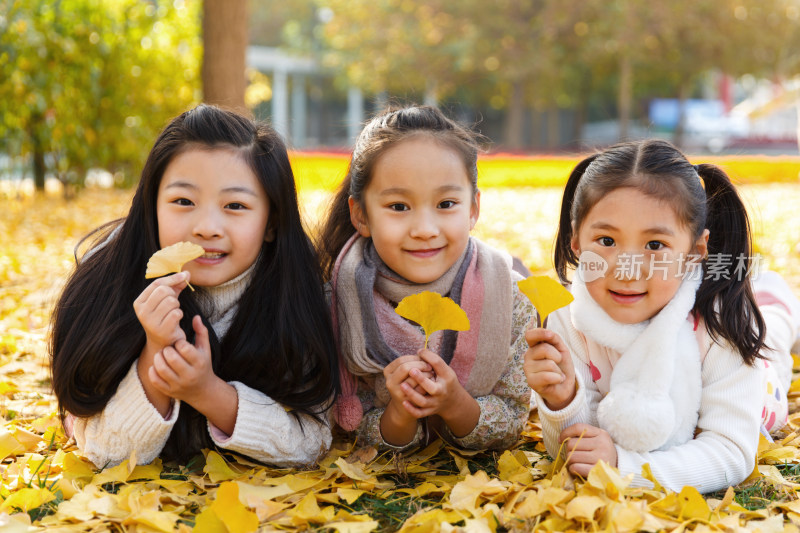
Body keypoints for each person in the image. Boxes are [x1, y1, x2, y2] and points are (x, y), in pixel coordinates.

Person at [50, 105, 339, 467]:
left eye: (235, 205)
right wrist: (156, 350)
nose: (206, 227)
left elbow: (310, 442)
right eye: (183, 201)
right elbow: (108, 452)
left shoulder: (295, 294)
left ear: (271, 222)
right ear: (150, 207)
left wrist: (207, 393)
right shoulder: (108, 283)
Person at [524, 139, 800, 493]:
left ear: (695, 251)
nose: (627, 271)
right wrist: (562, 399)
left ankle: (778, 301)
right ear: (576, 240)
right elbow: (582, 448)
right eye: (606, 241)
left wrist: (627, 468)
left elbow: (731, 452)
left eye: (655, 246)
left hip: (758, 386)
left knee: (771, 341)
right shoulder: (570, 319)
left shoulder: (721, 323)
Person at [319, 105, 536, 451]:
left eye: (446, 204)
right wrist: (400, 413)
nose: (424, 230)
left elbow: (511, 420)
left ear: (473, 209)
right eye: (399, 207)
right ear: (360, 215)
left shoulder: (510, 301)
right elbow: (353, 425)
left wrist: (455, 404)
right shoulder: (339, 305)